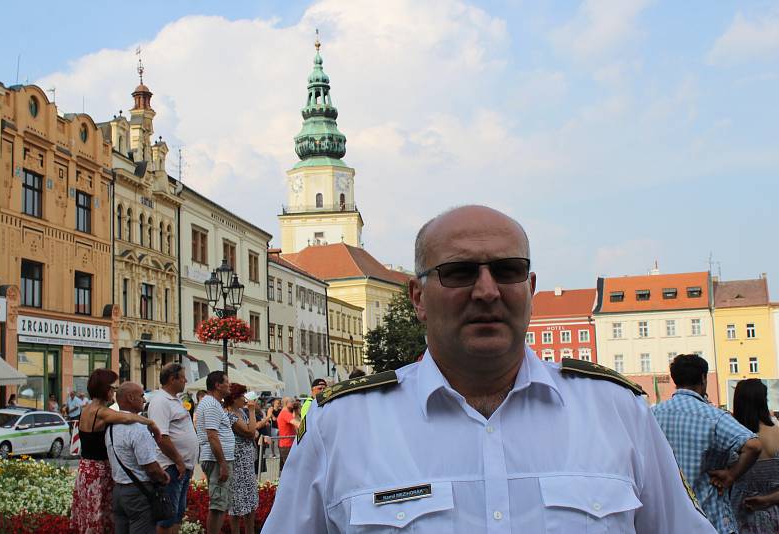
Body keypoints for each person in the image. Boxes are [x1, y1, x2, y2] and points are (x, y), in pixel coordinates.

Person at [262, 205, 717, 532]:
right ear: (418, 298)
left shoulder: (616, 411)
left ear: (530, 288)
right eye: (459, 272)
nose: (486, 290)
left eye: (507, 270)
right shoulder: (340, 426)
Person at [653, 354, 763, 534]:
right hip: (711, 519)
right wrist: (731, 475)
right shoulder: (714, 416)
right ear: (704, 378)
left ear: (675, 379)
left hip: (670, 520)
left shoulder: (653, 414)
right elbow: (753, 445)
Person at [71, 369, 161, 534]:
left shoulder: (87, 409)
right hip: (99, 473)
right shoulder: (101, 411)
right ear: (105, 389)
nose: (114, 391)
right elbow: (127, 417)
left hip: (86, 470)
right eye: (113, 387)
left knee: (91, 518)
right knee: (101, 520)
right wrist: (150, 422)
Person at [106, 382, 171, 534]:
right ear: (130, 397)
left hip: (119, 491)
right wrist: (163, 477)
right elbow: (151, 468)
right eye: (141, 396)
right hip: (138, 492)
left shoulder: (111, 427)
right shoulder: (138, 429)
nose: (144, 400)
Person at [148, 364, 198, 534]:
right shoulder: (160, 401)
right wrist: (178, 461)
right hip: (172, 467)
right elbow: (162, 437)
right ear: (172, 379)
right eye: (183, 377)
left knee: (177, 514)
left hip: (182, 467)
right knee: (166, 517)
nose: (185, 380)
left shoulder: (175, 399)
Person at [729, 379, 779, 533]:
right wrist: (767, 500)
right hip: (775, 512)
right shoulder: (777, 433)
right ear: (764, 401)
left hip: (740, 513)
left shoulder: (731, 435)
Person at [195, 371, 234, 534]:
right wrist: (223, 463)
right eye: (227, 382)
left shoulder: (214, 403)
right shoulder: (211, 404)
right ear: (218, 385)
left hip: (218, 459)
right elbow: (212, 435)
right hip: (216, 460)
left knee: (220, 503)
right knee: (218, 505)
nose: (229, 385)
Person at [223, 383, 259, 534]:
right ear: (234, 398)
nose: (245, 399)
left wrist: (251, 425)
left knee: (250, 502)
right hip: (238, 463)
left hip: (247, 463)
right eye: (241, 396)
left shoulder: (240, 412)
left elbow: (252, 430)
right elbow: (251, 432)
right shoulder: (230, 415)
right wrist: (251, 410)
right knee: (237, 504)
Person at [275, 397, 298, 470]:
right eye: (292, 401)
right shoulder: (285, 413)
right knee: (291, 468)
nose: (294, 403)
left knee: (288, 468)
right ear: (286, 403)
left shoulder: (285, 413)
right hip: (287, 444)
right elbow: (298, 424)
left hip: (286, 444)